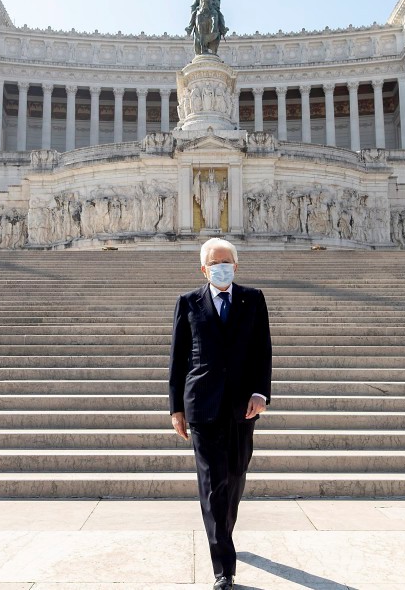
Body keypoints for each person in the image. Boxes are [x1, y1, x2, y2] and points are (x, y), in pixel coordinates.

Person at [169, 238, 271, 590]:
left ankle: (223, 532)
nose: (221, 267)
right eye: (215, 263)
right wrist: (176, 408)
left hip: (243, 406)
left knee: (235, 476)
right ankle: (223, 568)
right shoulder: (188, 302)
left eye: (226, 261)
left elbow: (262, 350)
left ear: (236, 266)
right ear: (204, 269)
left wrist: (260, 393)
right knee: (213, 485)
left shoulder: (253, 299)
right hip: (203, 405)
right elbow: (178, 358)